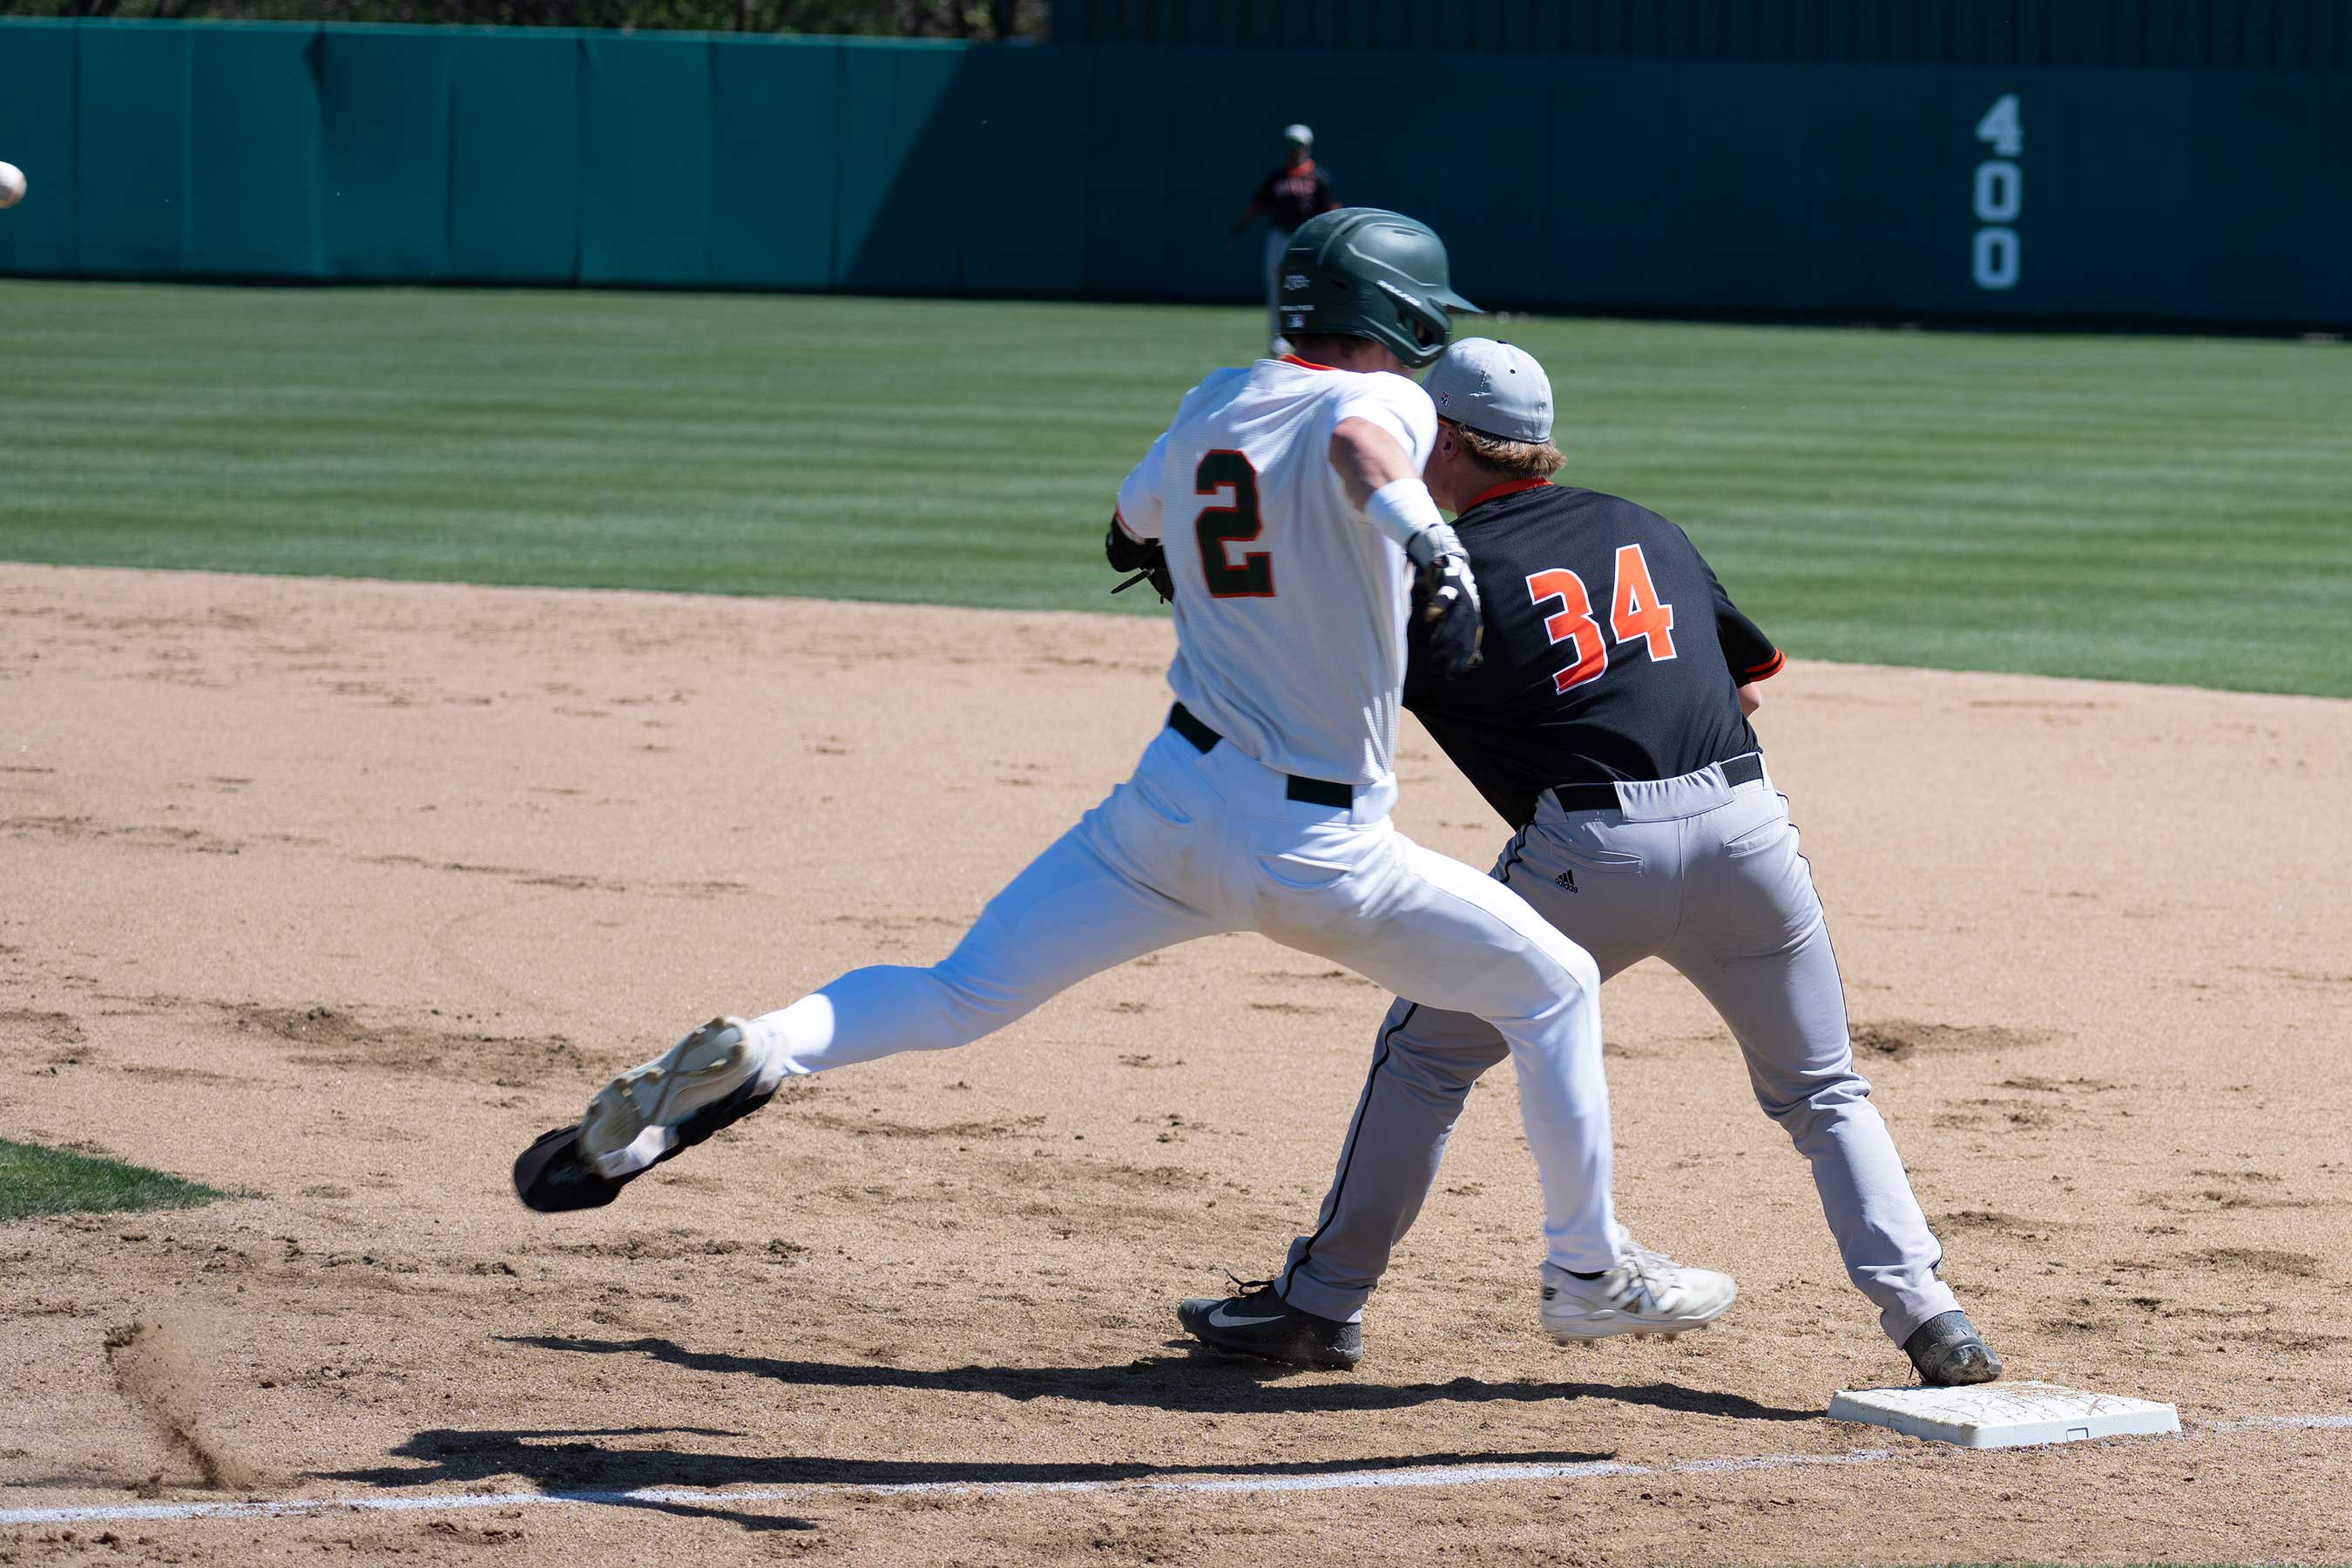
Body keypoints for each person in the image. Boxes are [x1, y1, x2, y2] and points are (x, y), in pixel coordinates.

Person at [513, 213, 1734, 1369]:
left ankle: (768, 1045)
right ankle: (1587, 1270)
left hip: (1166, 813)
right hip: (1317, 846)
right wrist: (1431, 544)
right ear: (1400, 316)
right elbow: (1360, 446)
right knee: (1553, 985)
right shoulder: (1387, 402)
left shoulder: (1211, 402)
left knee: (957, 994)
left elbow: (1128, 524)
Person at [1177, 340, 2001, 1388]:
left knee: (1426, 1057)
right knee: (1824, 1090)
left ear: (1445, 443)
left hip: (1592, 858)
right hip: (1749, 834)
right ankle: (1934, 1321)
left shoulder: (1435, 571)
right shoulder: (1644, 525)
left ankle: (1320, 1304)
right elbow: (1745, 689)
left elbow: (1314, 703)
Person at [1228, 125, 1339, 354]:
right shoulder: (1277, 177)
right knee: (1276, 286)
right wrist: (1241, 228)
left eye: (1298, 145)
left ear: (1307, 147)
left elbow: (1331, 210)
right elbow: (1257, 205)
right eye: (1291, 145)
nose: (1294, 150)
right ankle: (1278, 341)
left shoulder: (1319, 178)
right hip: (1280, 236)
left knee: (1308, 288)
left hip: (1307, 238)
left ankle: (1307, 340)